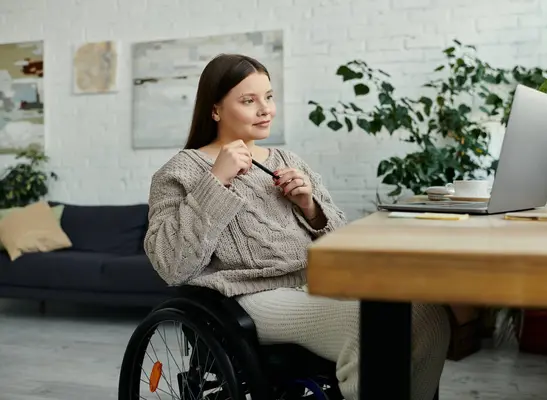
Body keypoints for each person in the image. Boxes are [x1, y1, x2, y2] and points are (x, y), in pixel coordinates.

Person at [143, 53, 450, 400]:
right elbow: (171, 264)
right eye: (249, 100)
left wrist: (310, 206)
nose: (265, 109)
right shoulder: (179, 172)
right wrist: (216, 181)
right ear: (215, 110)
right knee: (370, 329)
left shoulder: (288, 161)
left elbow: (340, 245)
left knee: (427, 315)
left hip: (317, 282)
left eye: (269, 97)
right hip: (253, 297)